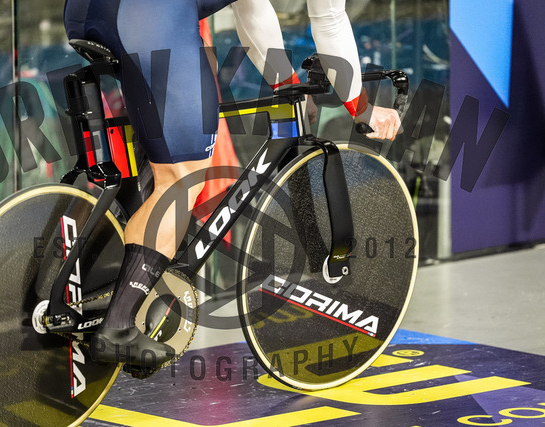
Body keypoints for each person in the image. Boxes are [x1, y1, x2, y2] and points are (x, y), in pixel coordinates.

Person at [63, 0, 401, 375]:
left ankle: (115, 279)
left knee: (161, 158)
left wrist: (287, 83)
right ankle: (119, 325)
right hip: (151, 16)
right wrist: (364, 109)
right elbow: (329, 18)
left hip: (85, 11)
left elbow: (252, 8)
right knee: (182, 177)